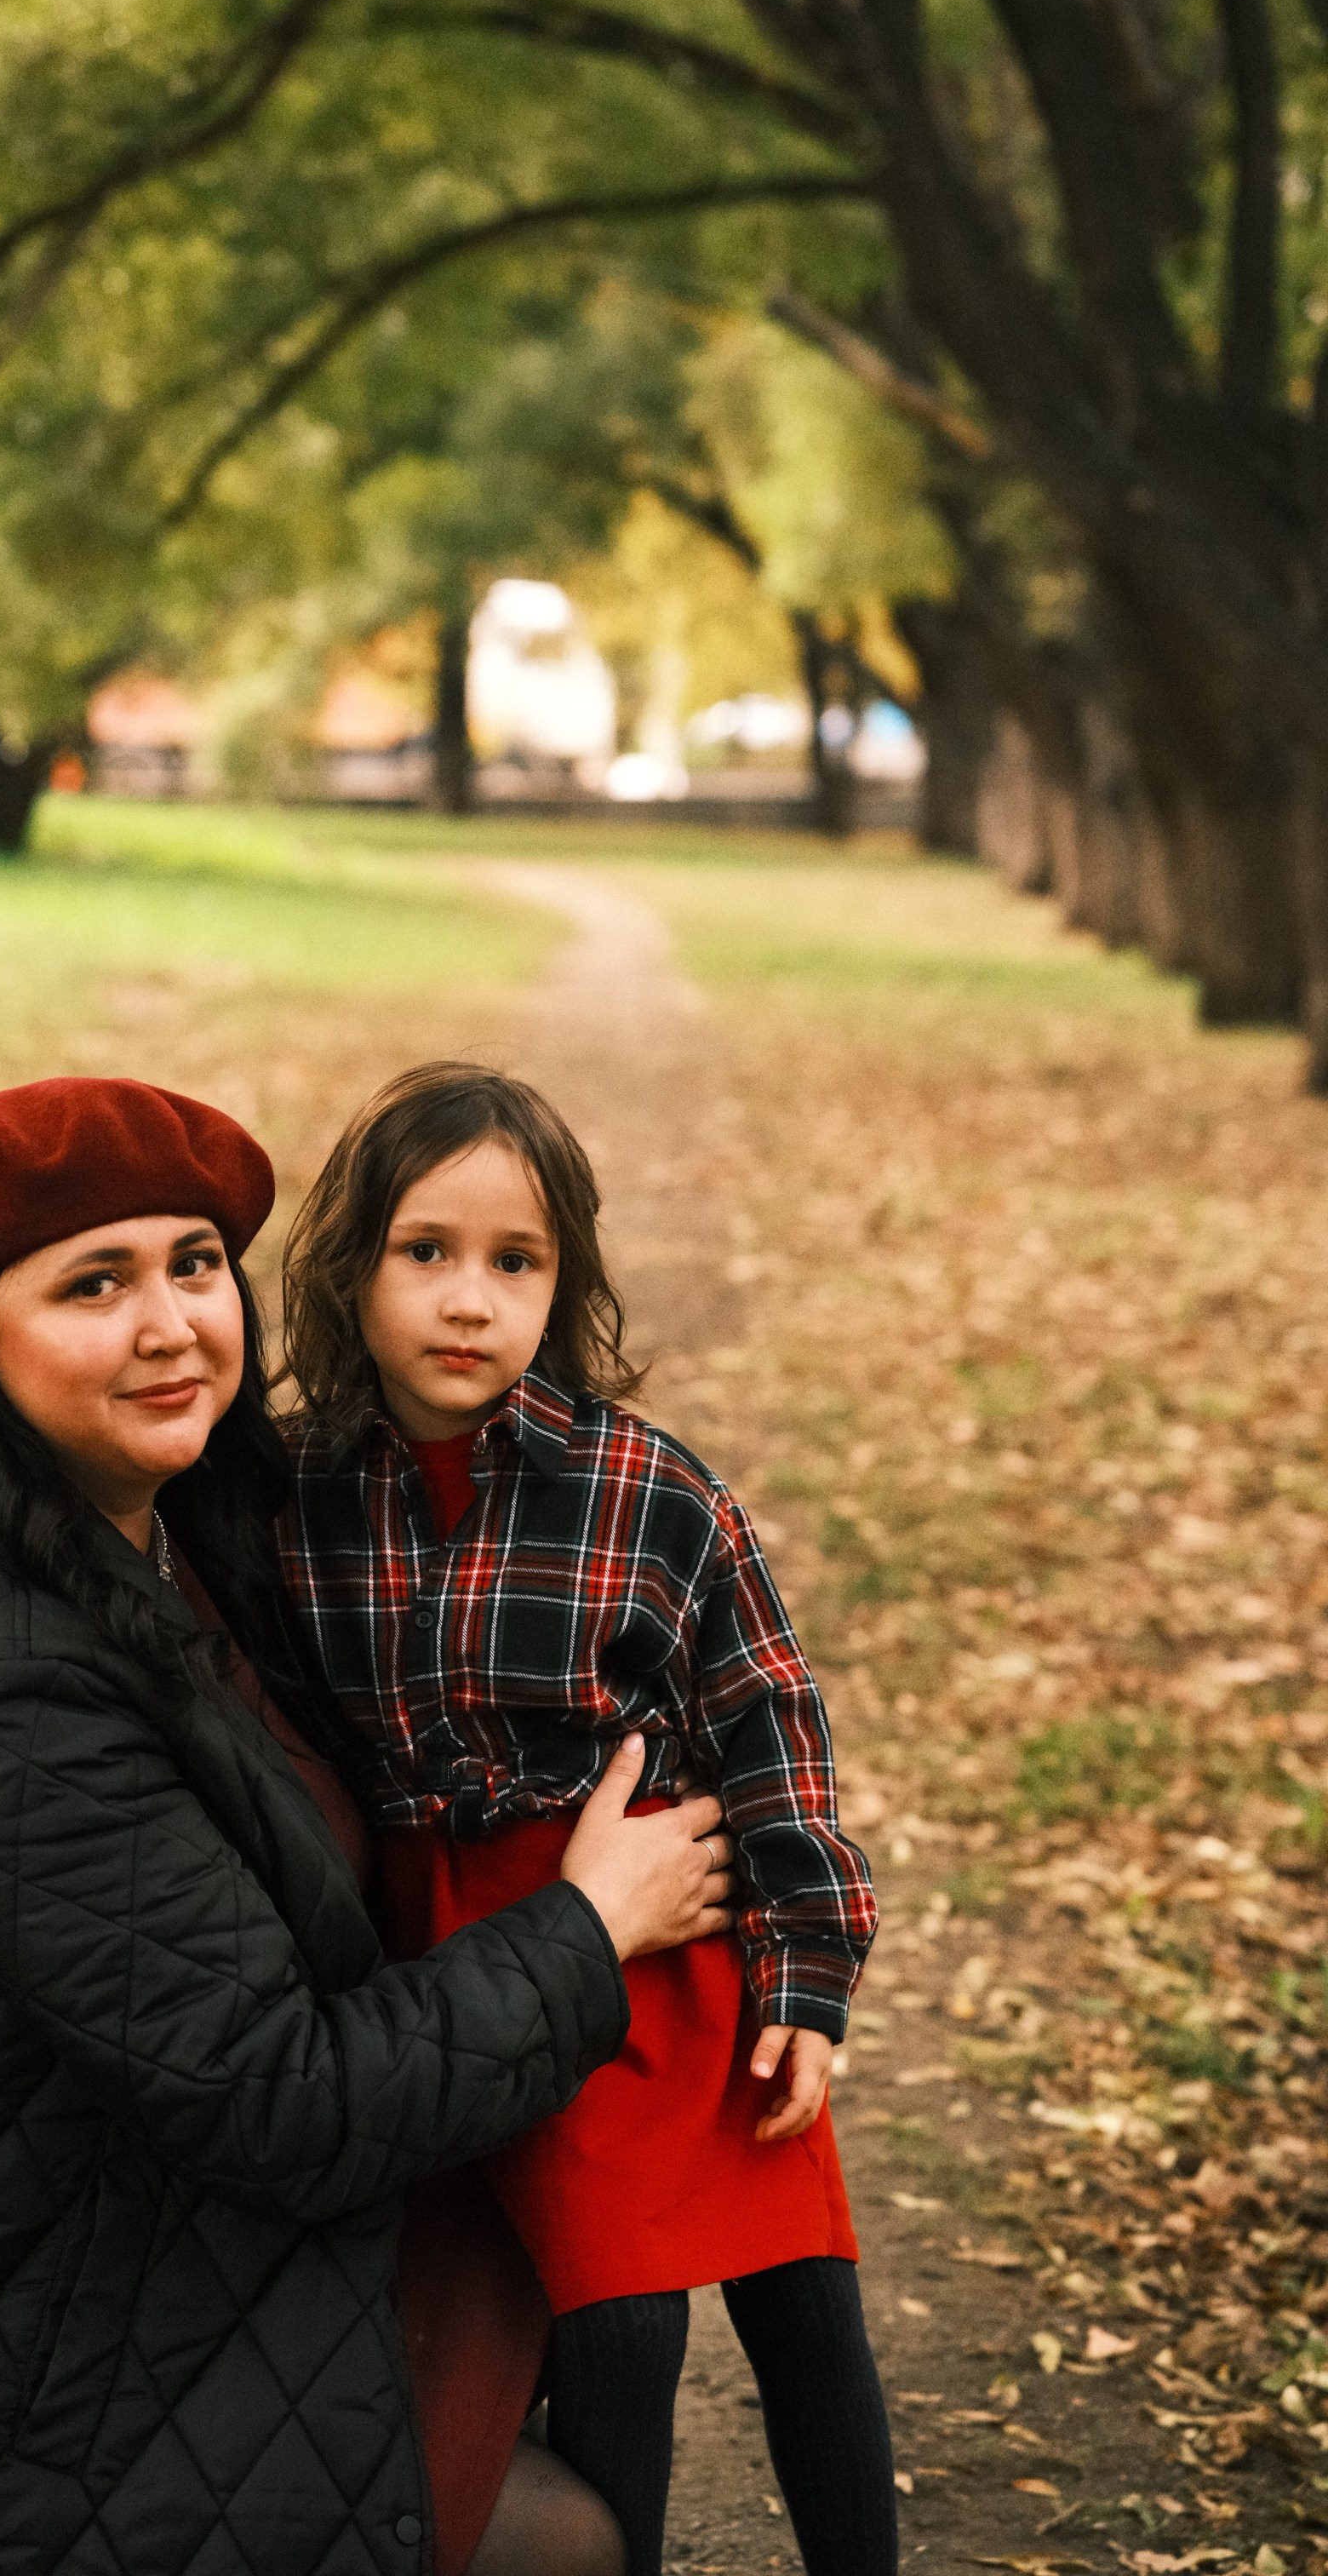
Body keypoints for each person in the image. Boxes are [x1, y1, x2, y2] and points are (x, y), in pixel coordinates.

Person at [0, 1075, 736, 2576]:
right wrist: (591, 1924)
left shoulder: (169, 1528)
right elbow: (280, 2099)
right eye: (93, 1285)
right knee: (566, 2542)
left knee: (582, 2255)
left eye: (192, 1264)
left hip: (106, 2225)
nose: (170, 1324)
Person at [278, 1063, 899, 2576]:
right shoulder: (293, 1495)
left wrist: (808, 1970)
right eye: (426, 1252)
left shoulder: (647, 1490)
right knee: (615, 2320)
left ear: (565, 1285)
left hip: (683, 1949)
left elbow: (770, 1717)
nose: (469, 1301)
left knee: (807, 2300)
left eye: (518, 1262)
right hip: (506, 1958)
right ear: (350, 1265)